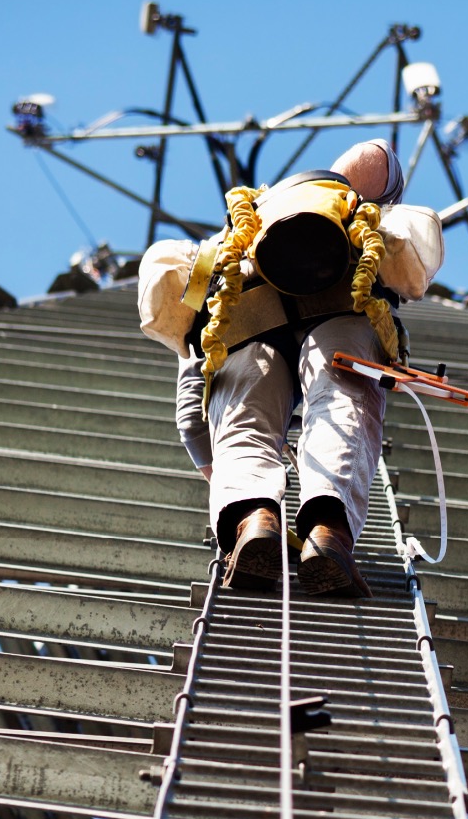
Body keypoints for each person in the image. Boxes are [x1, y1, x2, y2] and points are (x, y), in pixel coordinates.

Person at [138, 140, 442, 597]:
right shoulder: (358, 217)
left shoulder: (239, 228)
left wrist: (218, 470)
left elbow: (191, 400)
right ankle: (327, 535)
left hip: (243, 320)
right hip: (342, 306)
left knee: (243, 425)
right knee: (342, 404)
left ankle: (253, 522)